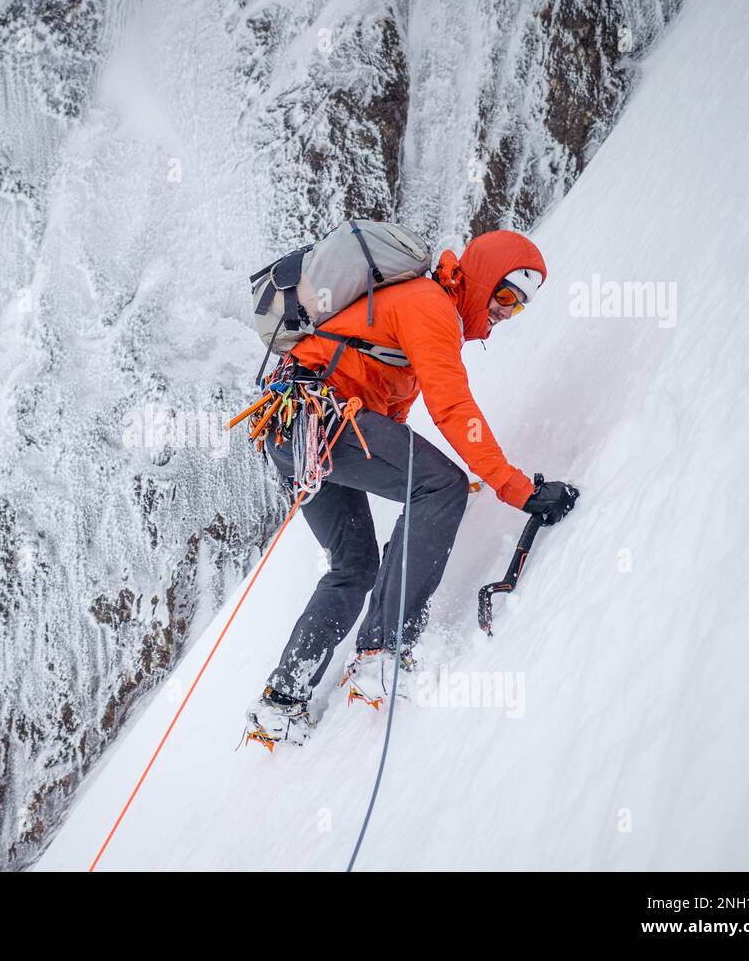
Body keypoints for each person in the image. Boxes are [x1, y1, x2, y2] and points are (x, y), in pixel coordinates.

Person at [245, 229, 579, 748]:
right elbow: (453, 410)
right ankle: (382, 653)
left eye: (518, 309)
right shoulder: (429, 305)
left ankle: (282, 702)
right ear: (483, 277)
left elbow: (387, 419)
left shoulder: (411, 307)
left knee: (353, 566)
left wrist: (429, 486)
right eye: (505, 296)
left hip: (292, 427)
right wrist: (514, 489)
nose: (504, 314)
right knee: (438, 485)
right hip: (317, 419)